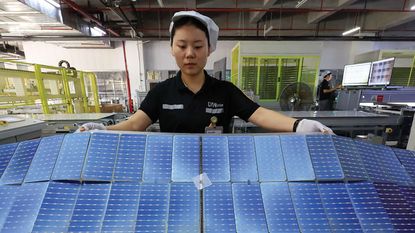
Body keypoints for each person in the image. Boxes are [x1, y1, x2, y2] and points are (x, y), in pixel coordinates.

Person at [79, 11, 333, 134]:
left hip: (217, 170)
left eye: (198, 46)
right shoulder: (162, 92)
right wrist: (102, 130)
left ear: (209, 49)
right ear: (172, 49)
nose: (190, 53)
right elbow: (136, 123)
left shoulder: (225, 92)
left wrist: (299, 125)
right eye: (182, 45)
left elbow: (259, 114)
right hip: (172, 171)